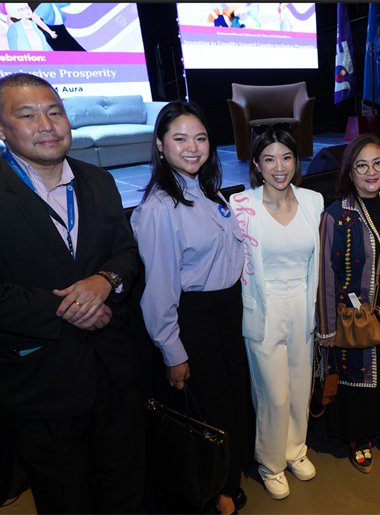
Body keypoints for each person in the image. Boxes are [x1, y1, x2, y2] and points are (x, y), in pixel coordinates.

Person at [0, 73, 144, 513]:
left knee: (124, 486)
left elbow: (126, 253)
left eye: (54, 112)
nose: (46, 125)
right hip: (38, 381)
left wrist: (104, 281)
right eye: (27, 115)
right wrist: (74, 306)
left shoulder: (98, 180)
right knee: (64, 499)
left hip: (113, 370)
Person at [130, 101, 249, 514]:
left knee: (231, 399)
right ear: (160, 145)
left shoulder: (208, 190)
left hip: (227, 313)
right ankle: (215, 487)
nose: (193, 147)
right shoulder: (160, 208)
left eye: (200, 138)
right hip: (195, 321)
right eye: (180, 138)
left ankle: (229, 477)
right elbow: (158, 291)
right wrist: (173, 352)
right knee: (208, 408)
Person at [230, 124, 323, 500]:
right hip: (263, 307)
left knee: (300, 387)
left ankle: (295, 450)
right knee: (272, 394)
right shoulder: (241, 205)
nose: (279, 167)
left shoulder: (313, 200)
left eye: (286, 157)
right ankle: (270, 463)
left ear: (296, 161)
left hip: (303, 302)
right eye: (269, 159)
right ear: (256, 164)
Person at [315, 134, 380, 473]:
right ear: (350, 172)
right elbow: (325, 275)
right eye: (362, 165)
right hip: (352, 316)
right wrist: (326, 328)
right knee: (356, 377)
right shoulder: (335, 215)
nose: (371, 172)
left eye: (378, 163)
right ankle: (357, 435)